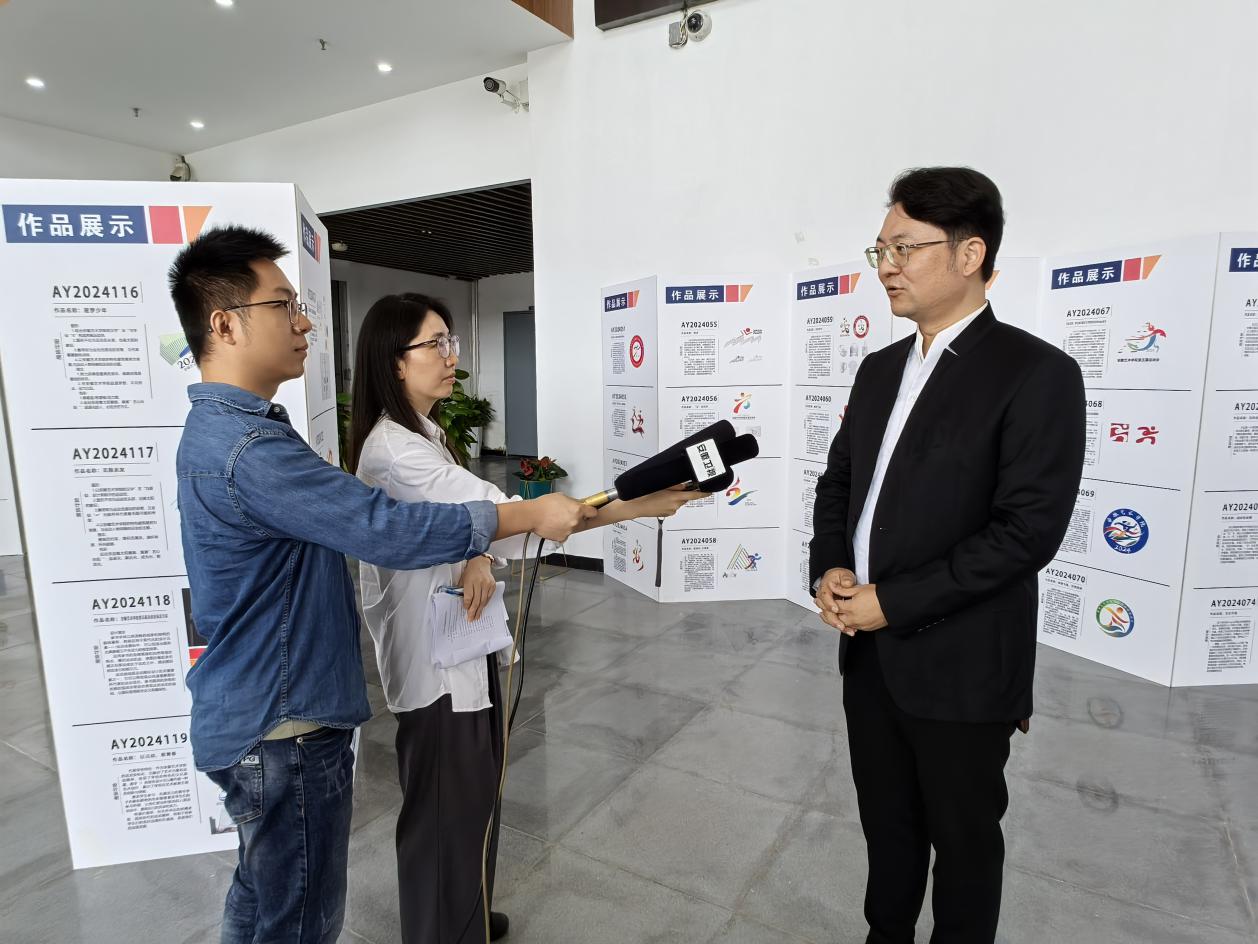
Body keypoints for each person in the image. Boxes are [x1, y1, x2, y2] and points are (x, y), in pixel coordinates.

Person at [169, 227, 595, 944]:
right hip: (283, 723)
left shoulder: (240, 434)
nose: (305, 322)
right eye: (283, 306)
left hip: (271, 709)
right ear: (225, 324)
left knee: (266, 902)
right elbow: (385, 528)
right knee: (297, 921)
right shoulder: (249, 450)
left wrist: (480, 548)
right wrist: (526, 515)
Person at [347, 293, 695, 944]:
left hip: (462, 640)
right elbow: (502, 514)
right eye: (436, 344)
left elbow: (470, 529)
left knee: (474, 796)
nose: (452, 358)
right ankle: (442, 931)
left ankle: (468, 912)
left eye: (451, 342)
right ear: (394, 361)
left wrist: (479, 553)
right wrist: (633, 506)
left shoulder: (425, 436)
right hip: (435, 664)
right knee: (446, 808)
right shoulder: (396, 452)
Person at [808, 167, 1085, 943]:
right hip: (869, 659)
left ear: (970, 254)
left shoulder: (1036, 374)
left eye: (905, 247)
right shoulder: (878, 370)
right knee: (887, 829)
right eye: (881, 249)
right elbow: (840, 485)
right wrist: (830, 568)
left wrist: (891, 601)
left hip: (964, 667)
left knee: (964, 846)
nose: (886, 266)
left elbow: (1025, 533)